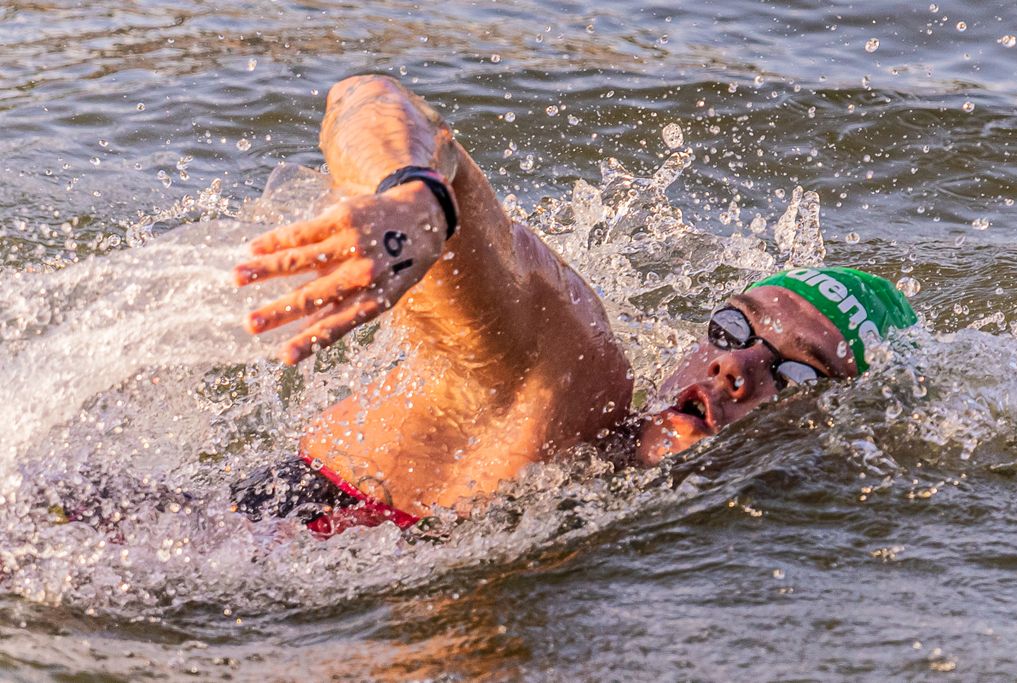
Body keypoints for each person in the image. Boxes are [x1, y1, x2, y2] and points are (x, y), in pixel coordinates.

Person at [230, 75, 917, 536]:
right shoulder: (570, 375)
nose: (736, 365)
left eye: (799, 373)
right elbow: (372, 98)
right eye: (734, 326)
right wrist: (418, 198)